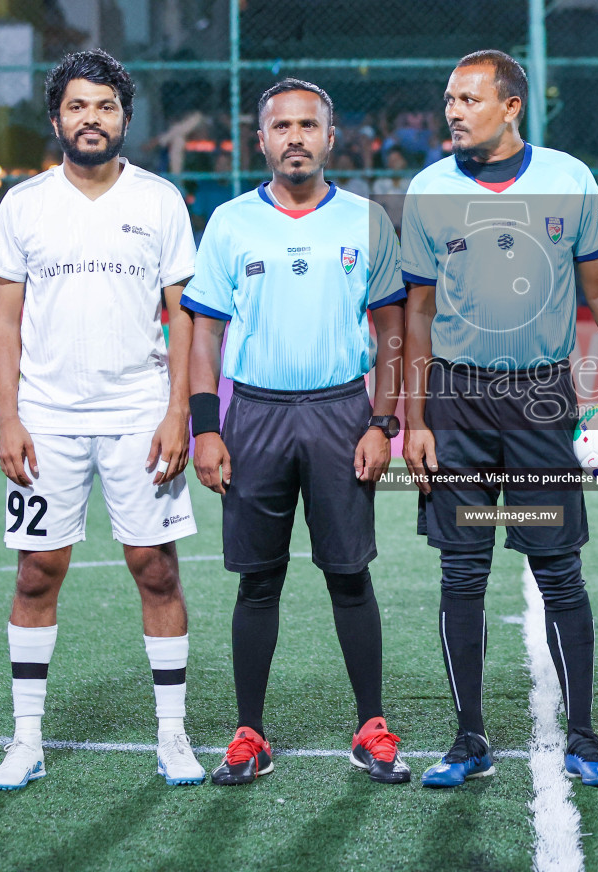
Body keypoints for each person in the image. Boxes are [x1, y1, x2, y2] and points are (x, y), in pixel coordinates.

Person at [401, 50, 598, 788]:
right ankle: (469, 740)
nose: (453, 111)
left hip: (539, 401)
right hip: (456, 404)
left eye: (468, 98)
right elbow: (419, 310)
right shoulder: (429, 189)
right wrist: (416, 418)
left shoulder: (568, 179)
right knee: (462, 571)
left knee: (557, 569)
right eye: (449, 98)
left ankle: (585, 737)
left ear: (511, 106)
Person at [0, 49, 203, 791]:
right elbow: (6, 323)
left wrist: (180, 414)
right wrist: (9, 418)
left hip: (141, 413)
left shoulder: (160, 201)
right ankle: (26, 739)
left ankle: (172, 736)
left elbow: (184, 319)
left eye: (104, 107)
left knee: (156, 569)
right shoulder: (23, 204)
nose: (91, 118)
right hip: (47, 418)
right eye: (78, 106)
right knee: (38, 570)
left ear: (124, 119)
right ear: (57, 119)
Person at [183, 78, 411, 787]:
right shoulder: (228, 223)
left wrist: (384, 422)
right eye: (281, 126)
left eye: (308, 125)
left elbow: (394, 329)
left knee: (350, 574)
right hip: (253, 415)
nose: (295, 137)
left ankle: (371, 724)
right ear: (261, 139)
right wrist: (205, 429)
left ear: (330, 137)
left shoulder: (366, 220)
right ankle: (250, 731)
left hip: (343, 414)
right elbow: (203, 334)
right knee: (258, 581)